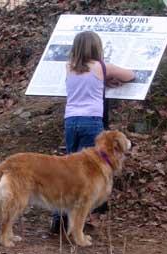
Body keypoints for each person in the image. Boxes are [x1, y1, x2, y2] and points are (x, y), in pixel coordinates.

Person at [51, 31, 135, 233]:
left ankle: (59, 218)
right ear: (96, 47)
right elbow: (130, 75)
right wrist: (107, 77)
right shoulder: (101, 67)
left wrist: (102, 82)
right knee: (88, 174)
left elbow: (84, 82)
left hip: (71, 121)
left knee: (69, 169)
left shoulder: (69, 66)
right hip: (92, 122)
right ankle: (77, 222)